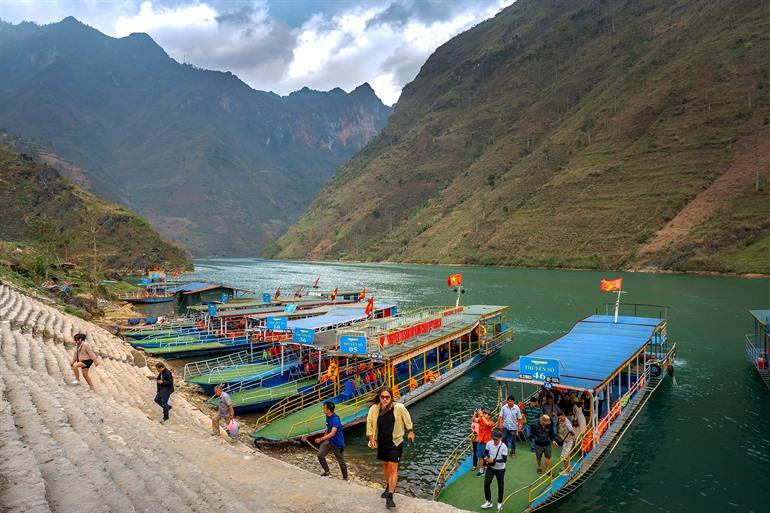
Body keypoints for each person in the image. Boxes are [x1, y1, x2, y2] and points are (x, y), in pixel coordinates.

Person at [366, 385, 415, 509]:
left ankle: (390, 496)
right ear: (379, 397)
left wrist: (410, 431)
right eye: (382, 397)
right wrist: (371, 437)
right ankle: (388, 486)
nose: (385, 399)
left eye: (387, 397)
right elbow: (370, 423)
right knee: (386, 465)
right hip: (382, 442)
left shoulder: (399, 408)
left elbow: (407, 419)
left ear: (391, 397)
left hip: (396, 442)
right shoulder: (374, 408)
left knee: (393, 467)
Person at [314, 401, 348, 480]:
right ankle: (327, 471)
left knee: (341, 461)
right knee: (320, 455)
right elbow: (328, 428)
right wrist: (324, 437)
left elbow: (333, 433)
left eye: (324, 408)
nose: (323, 409)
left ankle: (345, 477)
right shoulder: (327, 416)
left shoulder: (335, 419)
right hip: (329, 441)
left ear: (329, 410)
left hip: (337, 443)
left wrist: (321, 439)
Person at [480, 429, 508, 511]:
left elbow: (504, 460)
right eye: (494, 439)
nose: (495, 441)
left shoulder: (504, 447)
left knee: (500, 485)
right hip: (491, 468)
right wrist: (486, 457)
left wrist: (493, 460)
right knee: (486, 484)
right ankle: (488, 501)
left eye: (496, 439)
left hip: (500, 469)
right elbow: (486, 452)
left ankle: (500, 502)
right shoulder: (489, 443)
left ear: (500, 438)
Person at [475, 409, 494, 476]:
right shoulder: (480, 419)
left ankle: (489, 469)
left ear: (489, 416)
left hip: (486, 442)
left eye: (487, 414)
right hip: (480, 441)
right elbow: (474, 420)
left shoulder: (491, 422)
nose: (485, 415)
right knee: (480, 457)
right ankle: (481, 470)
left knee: (487, 457)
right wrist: (475, 413)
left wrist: (482, 416)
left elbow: (487, 424)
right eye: (484, 413)